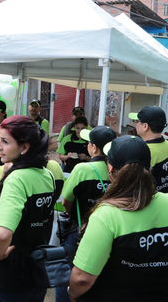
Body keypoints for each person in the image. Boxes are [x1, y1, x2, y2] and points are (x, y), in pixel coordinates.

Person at [68, 135, 168, 302]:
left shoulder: (106, 215)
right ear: (148, 167)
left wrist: (72, 294)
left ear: (110, 169)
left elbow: (81, 279)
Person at [0, 116, 55, 301]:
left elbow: (2, 234)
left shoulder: (17, 179)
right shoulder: (47, 174)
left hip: (10, 274)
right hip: (36, 269)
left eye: (5, 141)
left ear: (24, 147)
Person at [56, 126, 116, 302]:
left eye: (88, 142)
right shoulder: (118, 170)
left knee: (67, 272)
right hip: (110, 233)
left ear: (94, 147)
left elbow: (66, 200)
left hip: (80, 230)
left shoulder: (83, 169)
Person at [129, 106, 168, 193]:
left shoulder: (143, 150)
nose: (135, 124)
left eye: (137, 121)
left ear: (145, 126)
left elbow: (133, 183)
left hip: (145, 202)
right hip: (161, 199)